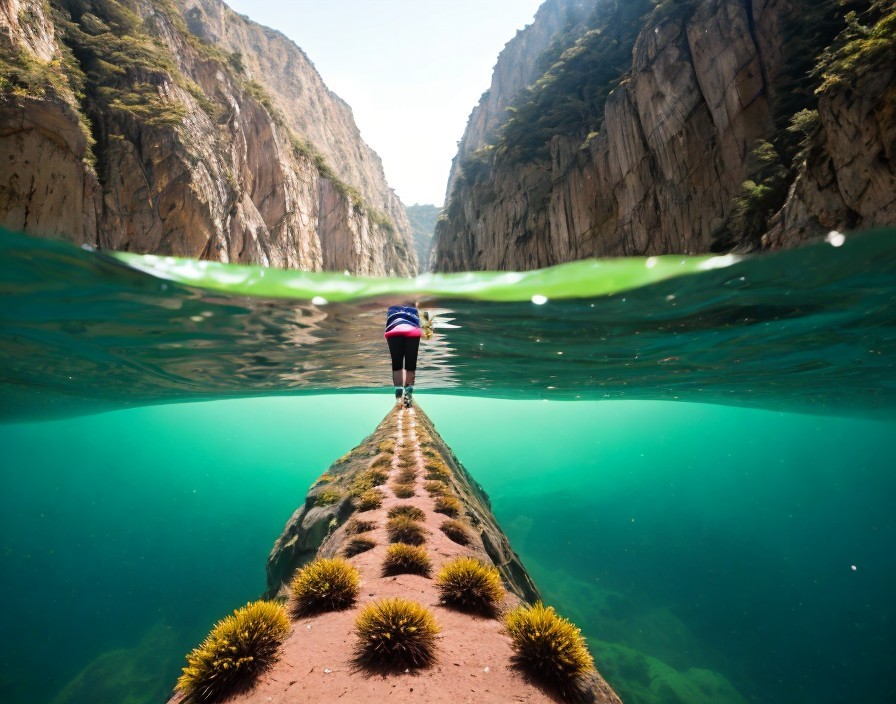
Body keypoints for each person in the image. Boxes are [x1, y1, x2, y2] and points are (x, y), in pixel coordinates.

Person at [385, 302, 422, 407]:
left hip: (393, 329)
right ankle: (408, 395)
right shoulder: (413, 298)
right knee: (411, 364)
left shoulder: (392, 298)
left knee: (397, 365)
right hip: (412, 330)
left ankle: (398, 396)